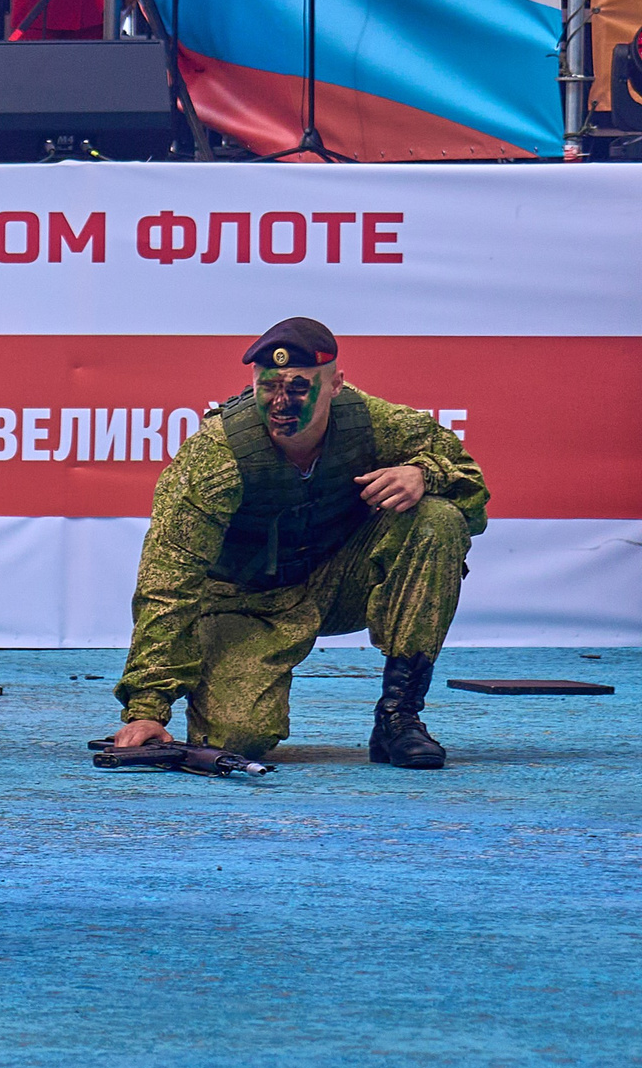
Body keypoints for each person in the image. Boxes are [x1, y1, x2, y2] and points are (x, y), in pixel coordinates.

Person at [105, 318, 488, 768]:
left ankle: (398, 717)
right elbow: (168, 579)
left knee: (437, 520)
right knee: (235, 737)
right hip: (246, 603)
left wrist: (424, 474)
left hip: (338, 584)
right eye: (269, 387)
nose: (281, 403)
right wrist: (147, 708)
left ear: (336, 385)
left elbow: (472, 489)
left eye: (299, 388)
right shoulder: (217, 456)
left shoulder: (373, 423)